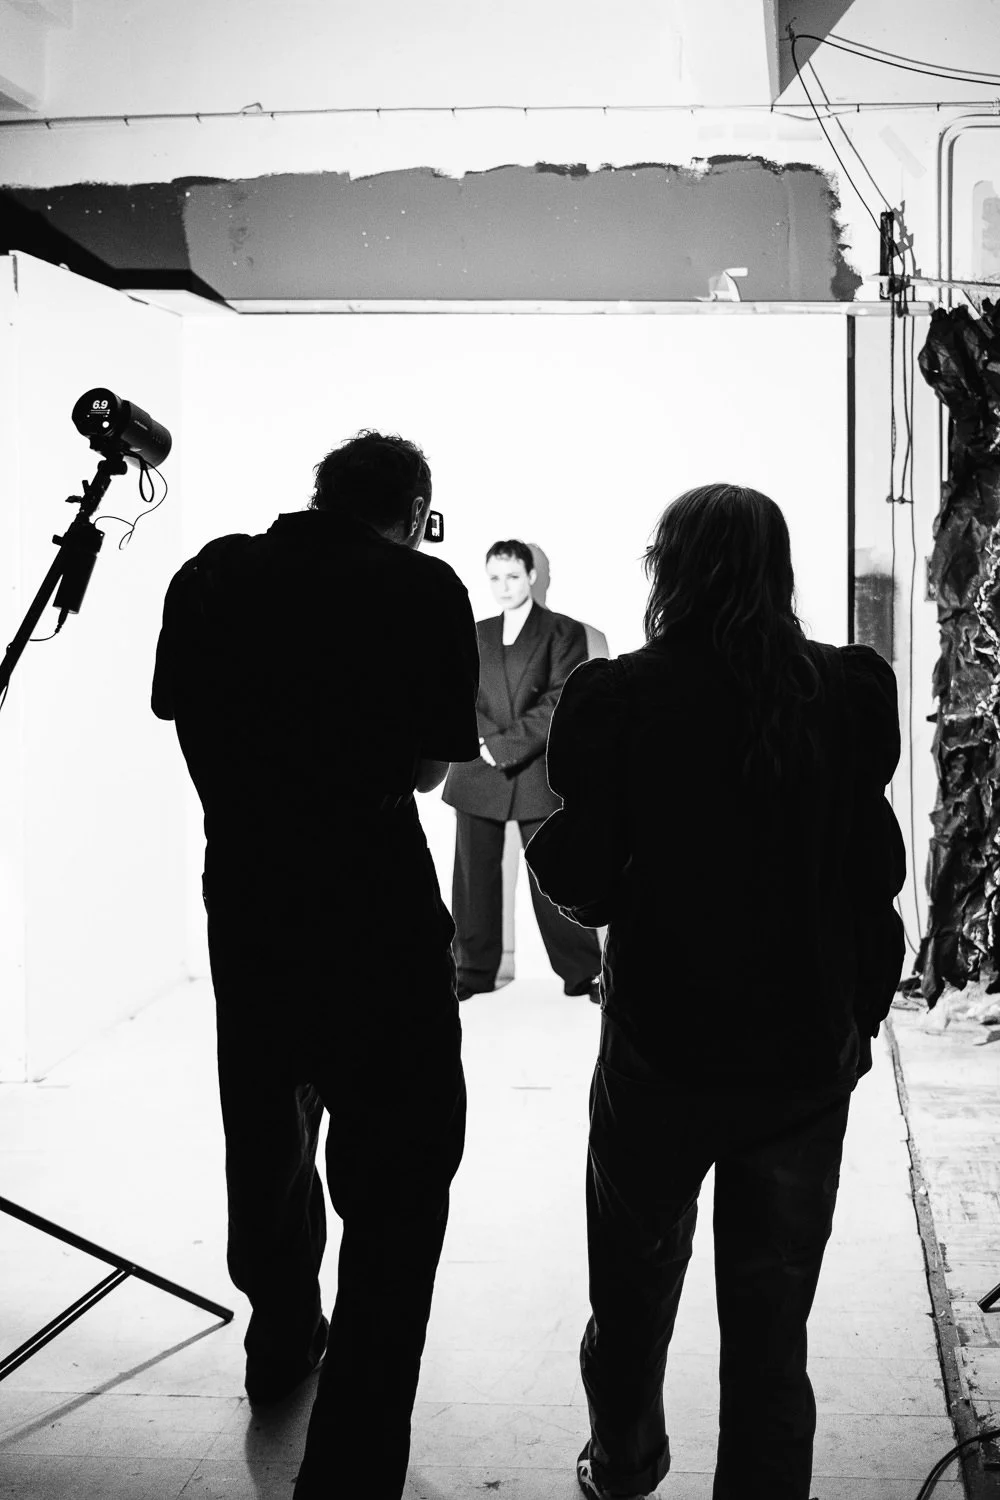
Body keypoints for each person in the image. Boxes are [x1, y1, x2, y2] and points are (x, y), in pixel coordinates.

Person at [524, 483, 906, 1500]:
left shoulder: (618, 696)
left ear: (667, 571)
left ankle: (625, 1462)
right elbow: (876, 877)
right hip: (801, 1066)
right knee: (773, 1336)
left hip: (662, 1056)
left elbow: (585, 877)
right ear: (778, 574)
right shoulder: (848, 691)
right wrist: (853, 1019)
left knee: (633, 1302)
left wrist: (554, 839)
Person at [150, 431, 481, 1500]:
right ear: (413, 506)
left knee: (267, 1126)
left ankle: (280, 1336)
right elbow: (432, 771)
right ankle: (349, 1464)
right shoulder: (422, 589)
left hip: (247, 890)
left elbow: (185, 723)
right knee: (396, 1182)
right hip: (372, 897)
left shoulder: (209, 575)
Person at [442, 539, 603, 1001]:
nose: (503, 586)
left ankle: (583, 972)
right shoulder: (474, 631)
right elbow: (459, 692)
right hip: (477, 773)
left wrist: (504, 746)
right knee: (473, 880)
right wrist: (488, 745)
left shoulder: (564, 632)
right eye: (494, 577)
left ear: (532, 576)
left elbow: (561, 700)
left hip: (535, 772)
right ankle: (471, 971)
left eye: (512, 576)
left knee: (556, 875)